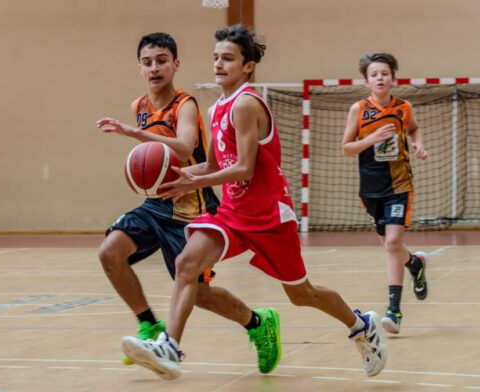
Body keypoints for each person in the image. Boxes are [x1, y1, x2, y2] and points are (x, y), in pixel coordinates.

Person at [121, 24, 387, 380]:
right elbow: (216, 165)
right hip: (232, 212)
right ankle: (169, 346)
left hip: (269, 215)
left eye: (228, 58)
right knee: (187, 263)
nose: (219, 64)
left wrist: (198, 180)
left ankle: (362, 324)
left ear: (247, 66)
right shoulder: (216, 108)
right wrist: (180, 177)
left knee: (302, 294)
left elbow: (244, 169)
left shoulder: (246, 104)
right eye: (216, 57)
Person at [96, 32, 275, 368]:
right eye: (148, 63)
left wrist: (133, 134)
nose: (155, 68)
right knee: (109, 252)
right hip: (157, 203)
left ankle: (258, 323)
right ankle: (149, 324)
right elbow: (156, 157)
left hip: (192, 205)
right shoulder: (140, 107)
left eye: (162, 60)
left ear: (175, 64)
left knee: (201, 294)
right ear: (140, 68)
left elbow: (183, 146)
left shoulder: (185, 104)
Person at [341, 52, 429, 334]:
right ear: (366, 81)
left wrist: (417, 145)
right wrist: (369, 140)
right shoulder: (359, 109)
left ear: (393, 78)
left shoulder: (404, 107)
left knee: (392, 244)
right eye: (374, 74)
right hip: (370, 188)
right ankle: (414, 264)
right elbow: (346, 148)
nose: (380, 78)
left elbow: (414, 130)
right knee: (391, 246)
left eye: (385, 73)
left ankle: (394, 311)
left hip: (399, 185)